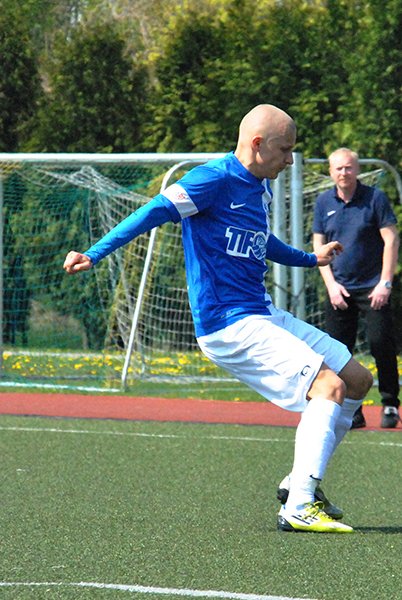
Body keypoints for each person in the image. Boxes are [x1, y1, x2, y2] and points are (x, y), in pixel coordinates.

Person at [63, 104, 373, 534]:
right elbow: (152, 211)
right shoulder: (210, 179)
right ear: (257, 144)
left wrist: (309, 258)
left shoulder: (259, 187)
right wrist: (94, 253)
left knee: (356, 379)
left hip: (261, 312)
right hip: (228, 324)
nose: (290, 160)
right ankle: (300, 504)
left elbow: (261, 241)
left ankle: (297, 482)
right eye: (285, 150)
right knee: (328, 386)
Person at [312, 148, 402, 429]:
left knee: (381, 343)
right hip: (339, 289)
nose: (344, 173)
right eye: (338, 168)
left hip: (372, 288)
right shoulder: (323, 202)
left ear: (357, 169)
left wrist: (385, 283)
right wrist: (331, 286)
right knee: (338, 353)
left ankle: (390, 404)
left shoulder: (375, 198)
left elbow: (391, 239)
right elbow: (318, 246)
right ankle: (353, 410)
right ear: (330, 172)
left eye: (349, 167)